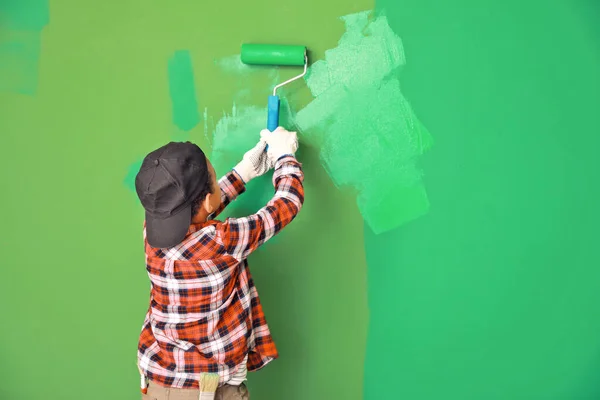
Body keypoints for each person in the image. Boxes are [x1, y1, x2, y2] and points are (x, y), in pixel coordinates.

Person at [134, 127, 304, 400]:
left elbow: (195, 210)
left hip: (157, 384)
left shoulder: (151, 232)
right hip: (207, 392)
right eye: (213, 177)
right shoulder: (223, 242)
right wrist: (286, 157)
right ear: (206, 197)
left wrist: (244, 171)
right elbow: (287, 203)